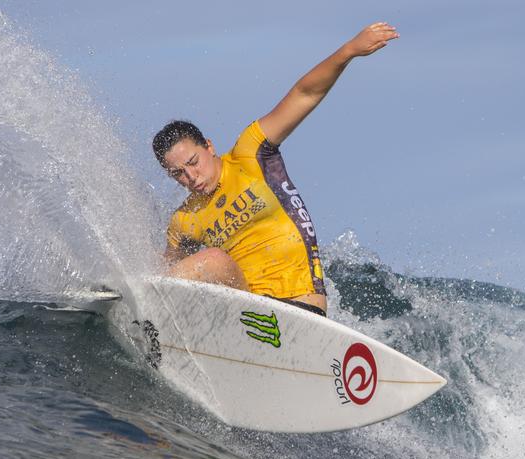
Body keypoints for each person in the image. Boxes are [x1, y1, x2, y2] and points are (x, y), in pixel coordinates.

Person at [152, 22, 399, 316]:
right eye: (178, 173)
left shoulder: (250, 153)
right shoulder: (184, 220)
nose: (190, 177)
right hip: (247, 313)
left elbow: (304, 94)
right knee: (206, 264)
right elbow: (167, 268)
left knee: (213, 260)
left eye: (193, 162)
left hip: (300, 308)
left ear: (209, 146)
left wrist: (349, 51)